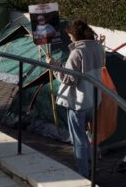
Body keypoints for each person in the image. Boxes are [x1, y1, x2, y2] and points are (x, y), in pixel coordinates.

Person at [46, 19, 103, 178]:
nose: (69, 38)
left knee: (79, 139)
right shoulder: (98, 47)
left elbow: (69, 79)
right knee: (87, 135)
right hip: (94, 98)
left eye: (70, 35)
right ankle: (92, 166)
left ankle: (82, 173)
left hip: (79, 102)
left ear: (75, 35)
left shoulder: (77, 52)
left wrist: (53, 65)